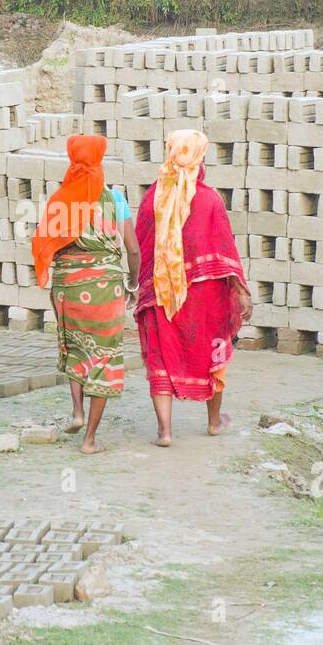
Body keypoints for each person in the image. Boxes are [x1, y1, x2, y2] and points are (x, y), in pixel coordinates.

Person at [134, 130, 252, 447]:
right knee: (213, 354)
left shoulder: (152, 199)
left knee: (161, 356)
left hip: (162, 292)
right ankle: (213, 422)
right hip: (207, 297)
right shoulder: (211, 199)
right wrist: (240, 289)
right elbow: (225, 248)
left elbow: (141, 244)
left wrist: (140, 286)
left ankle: (165, 432)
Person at [32, 134, 140, 455]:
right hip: (105, 286)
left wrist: (58, 279)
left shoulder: (61, 198)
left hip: (67, 287)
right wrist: (132, 283)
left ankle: (77, 411)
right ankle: (90, 440)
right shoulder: (114, 199)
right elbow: (132, 248)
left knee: (76, 348)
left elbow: (47, 243)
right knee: (104, 357)